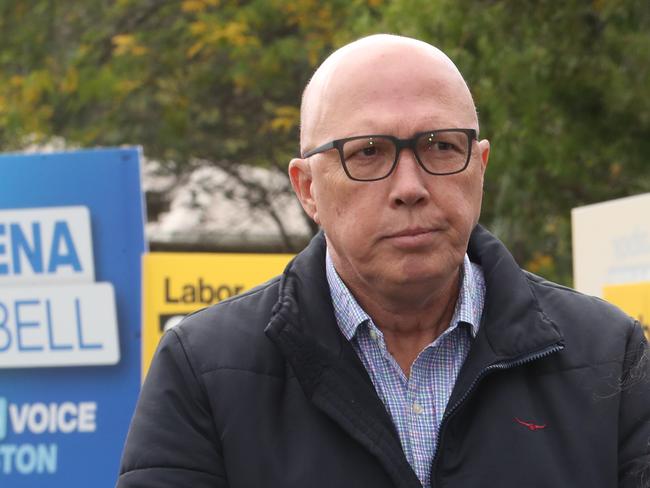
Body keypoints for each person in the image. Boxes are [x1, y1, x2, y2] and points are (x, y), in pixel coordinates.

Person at [117, 34, 650, 488]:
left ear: (479, 167)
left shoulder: (608, 354)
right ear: (307, 189)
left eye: (441, 146)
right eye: (368, 151)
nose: (410, 187)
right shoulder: (203, 369)